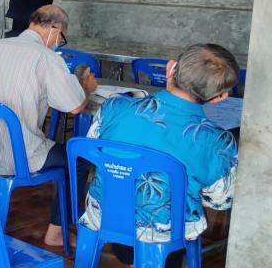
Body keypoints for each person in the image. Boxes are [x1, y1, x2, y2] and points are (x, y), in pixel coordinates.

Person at [83, 44, 238, 250]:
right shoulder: (217, 142)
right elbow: (220, 201)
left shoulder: (114, 107)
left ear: (171, 68)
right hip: (163, 232)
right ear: (220, 96)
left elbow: (93, 148)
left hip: (103, 212)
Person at [0, 5, 97, 246]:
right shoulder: (46, 57)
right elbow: (75, 107)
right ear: (55, 29)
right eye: (60, 38)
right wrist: (85, 88)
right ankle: (56, 233)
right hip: (21, 154)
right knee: (81, 159)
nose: (58, 43)